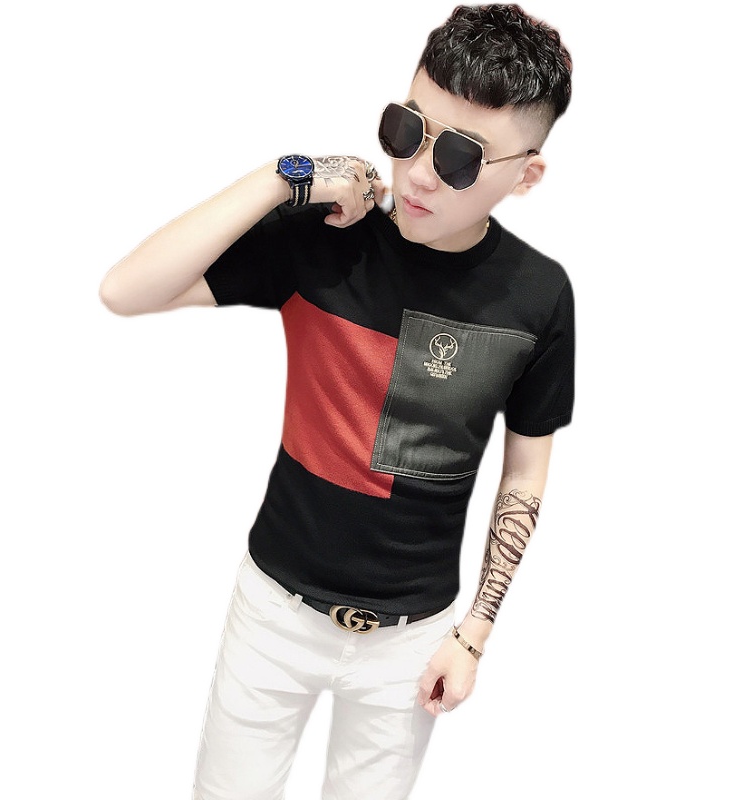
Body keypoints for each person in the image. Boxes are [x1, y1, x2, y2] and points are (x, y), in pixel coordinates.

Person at [99, 4, 574, 798]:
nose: (418, 170)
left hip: (413, 641)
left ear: (525, 176)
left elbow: (524, 473)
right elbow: (126, 289)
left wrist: (475, 635)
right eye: (407, 127)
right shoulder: (325, 238)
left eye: (461, 157)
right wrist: (285, 177)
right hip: (273, 612)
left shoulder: (539, 296)